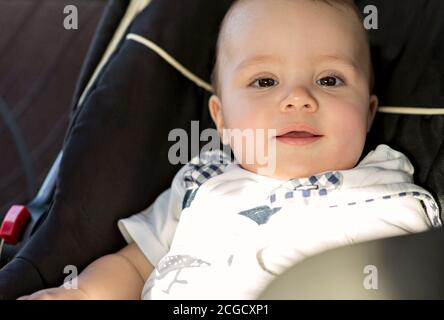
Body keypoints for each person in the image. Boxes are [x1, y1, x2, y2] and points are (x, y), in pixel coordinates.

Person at [18, 0, 441, 300]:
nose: (298, 99)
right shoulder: (202, 184)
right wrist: (85, 294)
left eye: (329, 80)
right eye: (264, 82)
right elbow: (135, 265)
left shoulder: (382, 196)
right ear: (220, 119)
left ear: (368, 113)